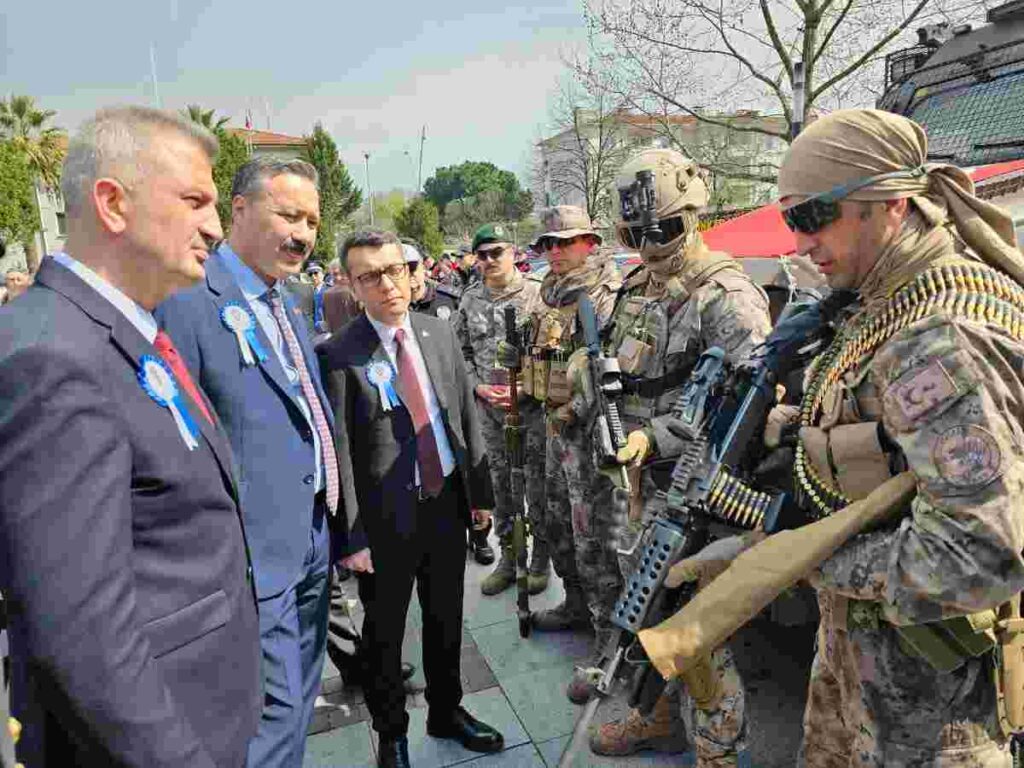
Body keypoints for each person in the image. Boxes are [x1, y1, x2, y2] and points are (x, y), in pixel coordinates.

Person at [0, 106, 261, 767]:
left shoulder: (116, 330)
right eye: (195, 200)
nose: (215, 225)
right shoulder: (51, 356)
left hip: (203, 705)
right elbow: (85, 634)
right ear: (113, 204)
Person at [772, 109, 1024, 766]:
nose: (800, 243)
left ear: (890, 205)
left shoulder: (937, 335)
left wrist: (807, 559)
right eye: (789, 221)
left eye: (812, 217)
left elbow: (977, 553)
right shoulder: (887, 300)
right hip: (869, 668)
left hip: (933, 710)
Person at [587, 148, 771, 764]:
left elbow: (749, 409)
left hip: (695, 491)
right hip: (637, 485)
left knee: (697, 631)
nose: (648, 246)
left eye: (662, 230)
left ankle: (718, 750)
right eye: (635, 234)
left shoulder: (725, 294)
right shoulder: (638, 285)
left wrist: (661, 439)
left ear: (694, 214)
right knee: (646, 610)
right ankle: (657, 716)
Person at [155, 157, 338, 768]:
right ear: (237, 209)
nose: (304, 233)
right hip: (251, 552)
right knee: (271, 709)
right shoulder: (188, 299)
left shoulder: (286, 298)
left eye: (312, 220)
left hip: (312, 534)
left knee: (301, 693)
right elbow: (175, 437)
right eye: (289, 214)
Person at [318, 230, 504, 768]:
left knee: (447, 619)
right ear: (352, 285)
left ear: (410, 271)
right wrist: (350, 538)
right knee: (385, 636)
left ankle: (447, 710)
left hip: (445, 502)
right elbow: (342, 455)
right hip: (383, 524)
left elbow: (464, 417)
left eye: (394, 269)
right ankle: (392, 733)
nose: (387, 284)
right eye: (370, 276)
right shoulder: (338, 355)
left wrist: (480, 494)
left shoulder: (437, 333)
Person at [516, 207, 622, 640]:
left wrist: (574, 410)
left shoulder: (608, 293)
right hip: (552, 430)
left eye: (565, 242)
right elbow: (543, 353)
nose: (554, 251)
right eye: (547, 244)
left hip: (589, 437)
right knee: (555, 522)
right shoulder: (548, 294)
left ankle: (607, 634)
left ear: (591, 243)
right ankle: (577, 605)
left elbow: (612, 370)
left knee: (594, 538)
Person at [455, 223, 549, 592]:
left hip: (531, 410)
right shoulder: (470, 300)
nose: (490, 260)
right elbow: (460, 352)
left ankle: (540, 561)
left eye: (497, 252)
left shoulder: (536, 297)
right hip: (490, 414)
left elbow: (550, 352)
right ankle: (510, 560)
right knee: (501, 489)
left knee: (537, 487)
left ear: (513, 253)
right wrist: (477, 386)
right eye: (483, 255)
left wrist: (527, 387)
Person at [404, 242, 461, 322]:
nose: (408, 275)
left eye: (412, 268)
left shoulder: (448, 299)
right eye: (398, 271)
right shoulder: (391, 304)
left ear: (423, 267)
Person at [322, 257, 362, 334]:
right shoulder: (355, 292)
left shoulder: (326, 295)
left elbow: (326, 321)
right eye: (335, 274)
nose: (338, 278)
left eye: (341, 273)